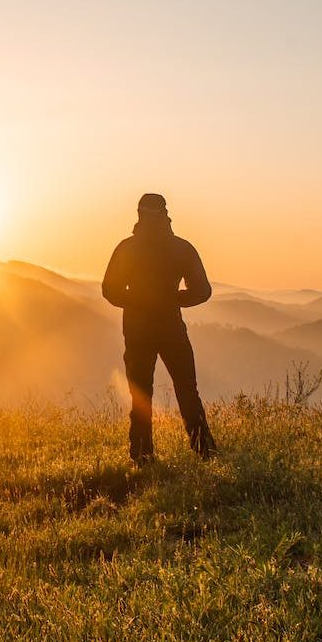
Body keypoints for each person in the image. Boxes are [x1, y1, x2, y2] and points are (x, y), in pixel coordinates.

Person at [101, 193, 215, 463]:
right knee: (187, 389)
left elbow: (110, 290)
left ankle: (142, 455)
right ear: (166, 214)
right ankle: (204, 451)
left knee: (141, 393)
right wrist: (172, 299)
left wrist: (138, 300)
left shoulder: (127, 248)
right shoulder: (181, 248)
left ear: (139, 215)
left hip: (137, 328)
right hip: (171, 327)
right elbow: (203, 291)